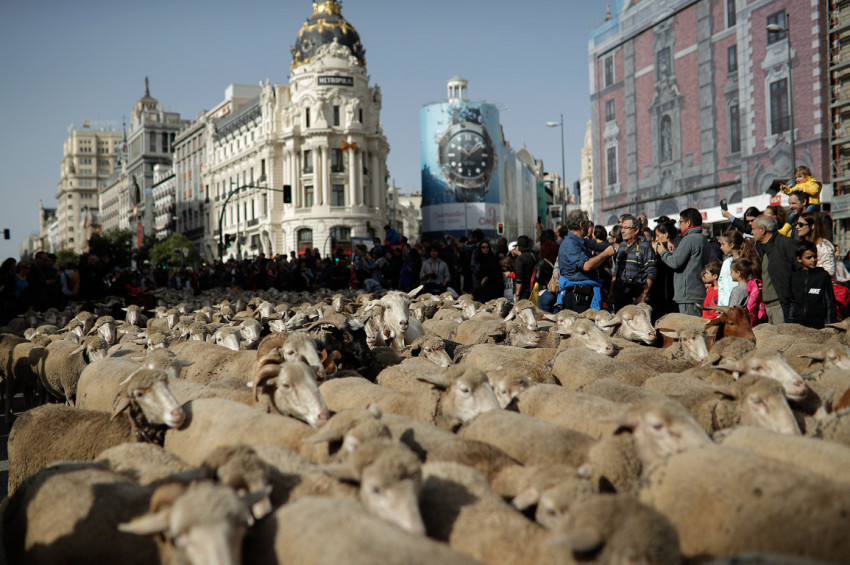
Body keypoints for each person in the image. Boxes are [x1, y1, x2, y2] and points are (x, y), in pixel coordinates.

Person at [557, 209, 615, 313]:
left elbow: (598, 246)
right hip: (578, 298)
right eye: (588, 223)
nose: (589, 227)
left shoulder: (580, 241)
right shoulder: (570, 244)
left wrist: (618, 246)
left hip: (585, 296)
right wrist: (606, 254)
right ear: (581, 224)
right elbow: (586, 265)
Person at [653, 208, 706, 317]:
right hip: (697, 292)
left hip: (688, 295)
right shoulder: (702, 238)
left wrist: (662, 252)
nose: (679, 225)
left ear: (688, 223)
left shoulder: (689, 239)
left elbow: (675, 262)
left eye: (680, 222)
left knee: (690, 329)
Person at [752, 214, 798, 324]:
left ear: (762, 229)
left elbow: (799, 273)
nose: (752, 232)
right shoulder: (762, 248)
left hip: (781, 305)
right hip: (768, 307)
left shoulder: (786, 244)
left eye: (753, 229)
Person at [609, 214, 656, 312]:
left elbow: (651, 272)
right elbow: (616, 271)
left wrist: (643, 295)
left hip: (636, 295)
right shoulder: (621, 246)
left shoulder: (645, 246)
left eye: (626, 228)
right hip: (620, 294)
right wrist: (611, 291)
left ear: (636, 230)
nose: (622, 231)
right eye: (622, 228)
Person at [789, 240, 835, 329]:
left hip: (818, 325)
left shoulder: (823, 276)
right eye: (808, 257)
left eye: (815, 257)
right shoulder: (794, 277)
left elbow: (830, 303)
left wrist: (830, 325)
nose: (813, 260)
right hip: (798, 325)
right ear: (799, 259)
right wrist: (791, 322)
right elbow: (792, 302)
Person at [796, 212, 835, 280]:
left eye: (801, 224)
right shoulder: (801, 245)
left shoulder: (823, 247)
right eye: (796, 224)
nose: (797, 227)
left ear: (812, 226)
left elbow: (829, 272)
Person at [533, 240, 559, 312]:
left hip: (544, 292)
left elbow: (538, 277)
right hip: (555, 292)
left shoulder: (542, 263)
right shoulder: (555, 263)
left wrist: (547, 283)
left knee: (545, 318)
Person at [512, 235, 537, 301]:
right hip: (534, 289)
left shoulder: (520, 259)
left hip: (524, 292)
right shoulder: (534, 256)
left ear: (518, 247)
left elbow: (519, 279)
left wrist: (517, 294)